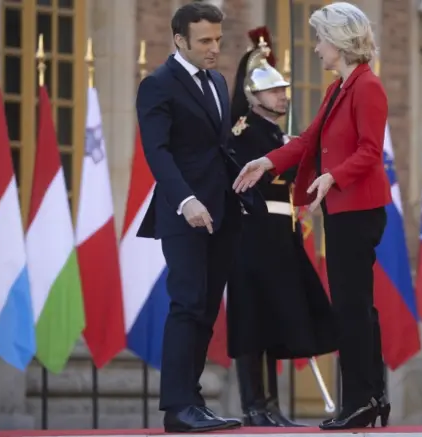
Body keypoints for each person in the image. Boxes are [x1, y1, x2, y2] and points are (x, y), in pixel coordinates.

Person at [232, 2, 391, 431]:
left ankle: (361, 400)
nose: (317, 48)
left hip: (358, 209)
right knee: (354, 307)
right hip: (341, 208)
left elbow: (370, 151)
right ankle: (371, 396)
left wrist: (332, 177)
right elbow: (306, 141)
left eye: (321, 39)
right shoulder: (337, 89)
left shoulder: (367, 87)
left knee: (351, 308)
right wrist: (267, 162)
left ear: (339, 41)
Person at [135, 3, 265, 433]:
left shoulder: (216, 80)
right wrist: (186, 200)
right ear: (179, 41)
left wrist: (245, 185)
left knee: (208, 309)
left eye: (218, 39)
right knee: (187, 303)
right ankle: (176, 407)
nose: (214, 48)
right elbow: (158, 152)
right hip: (184, 213)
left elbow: (217, 148)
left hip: (222, 212)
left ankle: (193, 401)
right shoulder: (157, 85)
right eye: (205, 41)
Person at [226, 27, 338, 427]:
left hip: (281, 238)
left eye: (282, 90)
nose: (282, 96)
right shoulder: (242, 134)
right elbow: (240, 185)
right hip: (251, 239)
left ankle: (271, 405)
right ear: (253, 96)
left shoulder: (277, 135)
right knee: (251, 323)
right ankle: (254, 405)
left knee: (277, 318)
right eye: (273, 91)